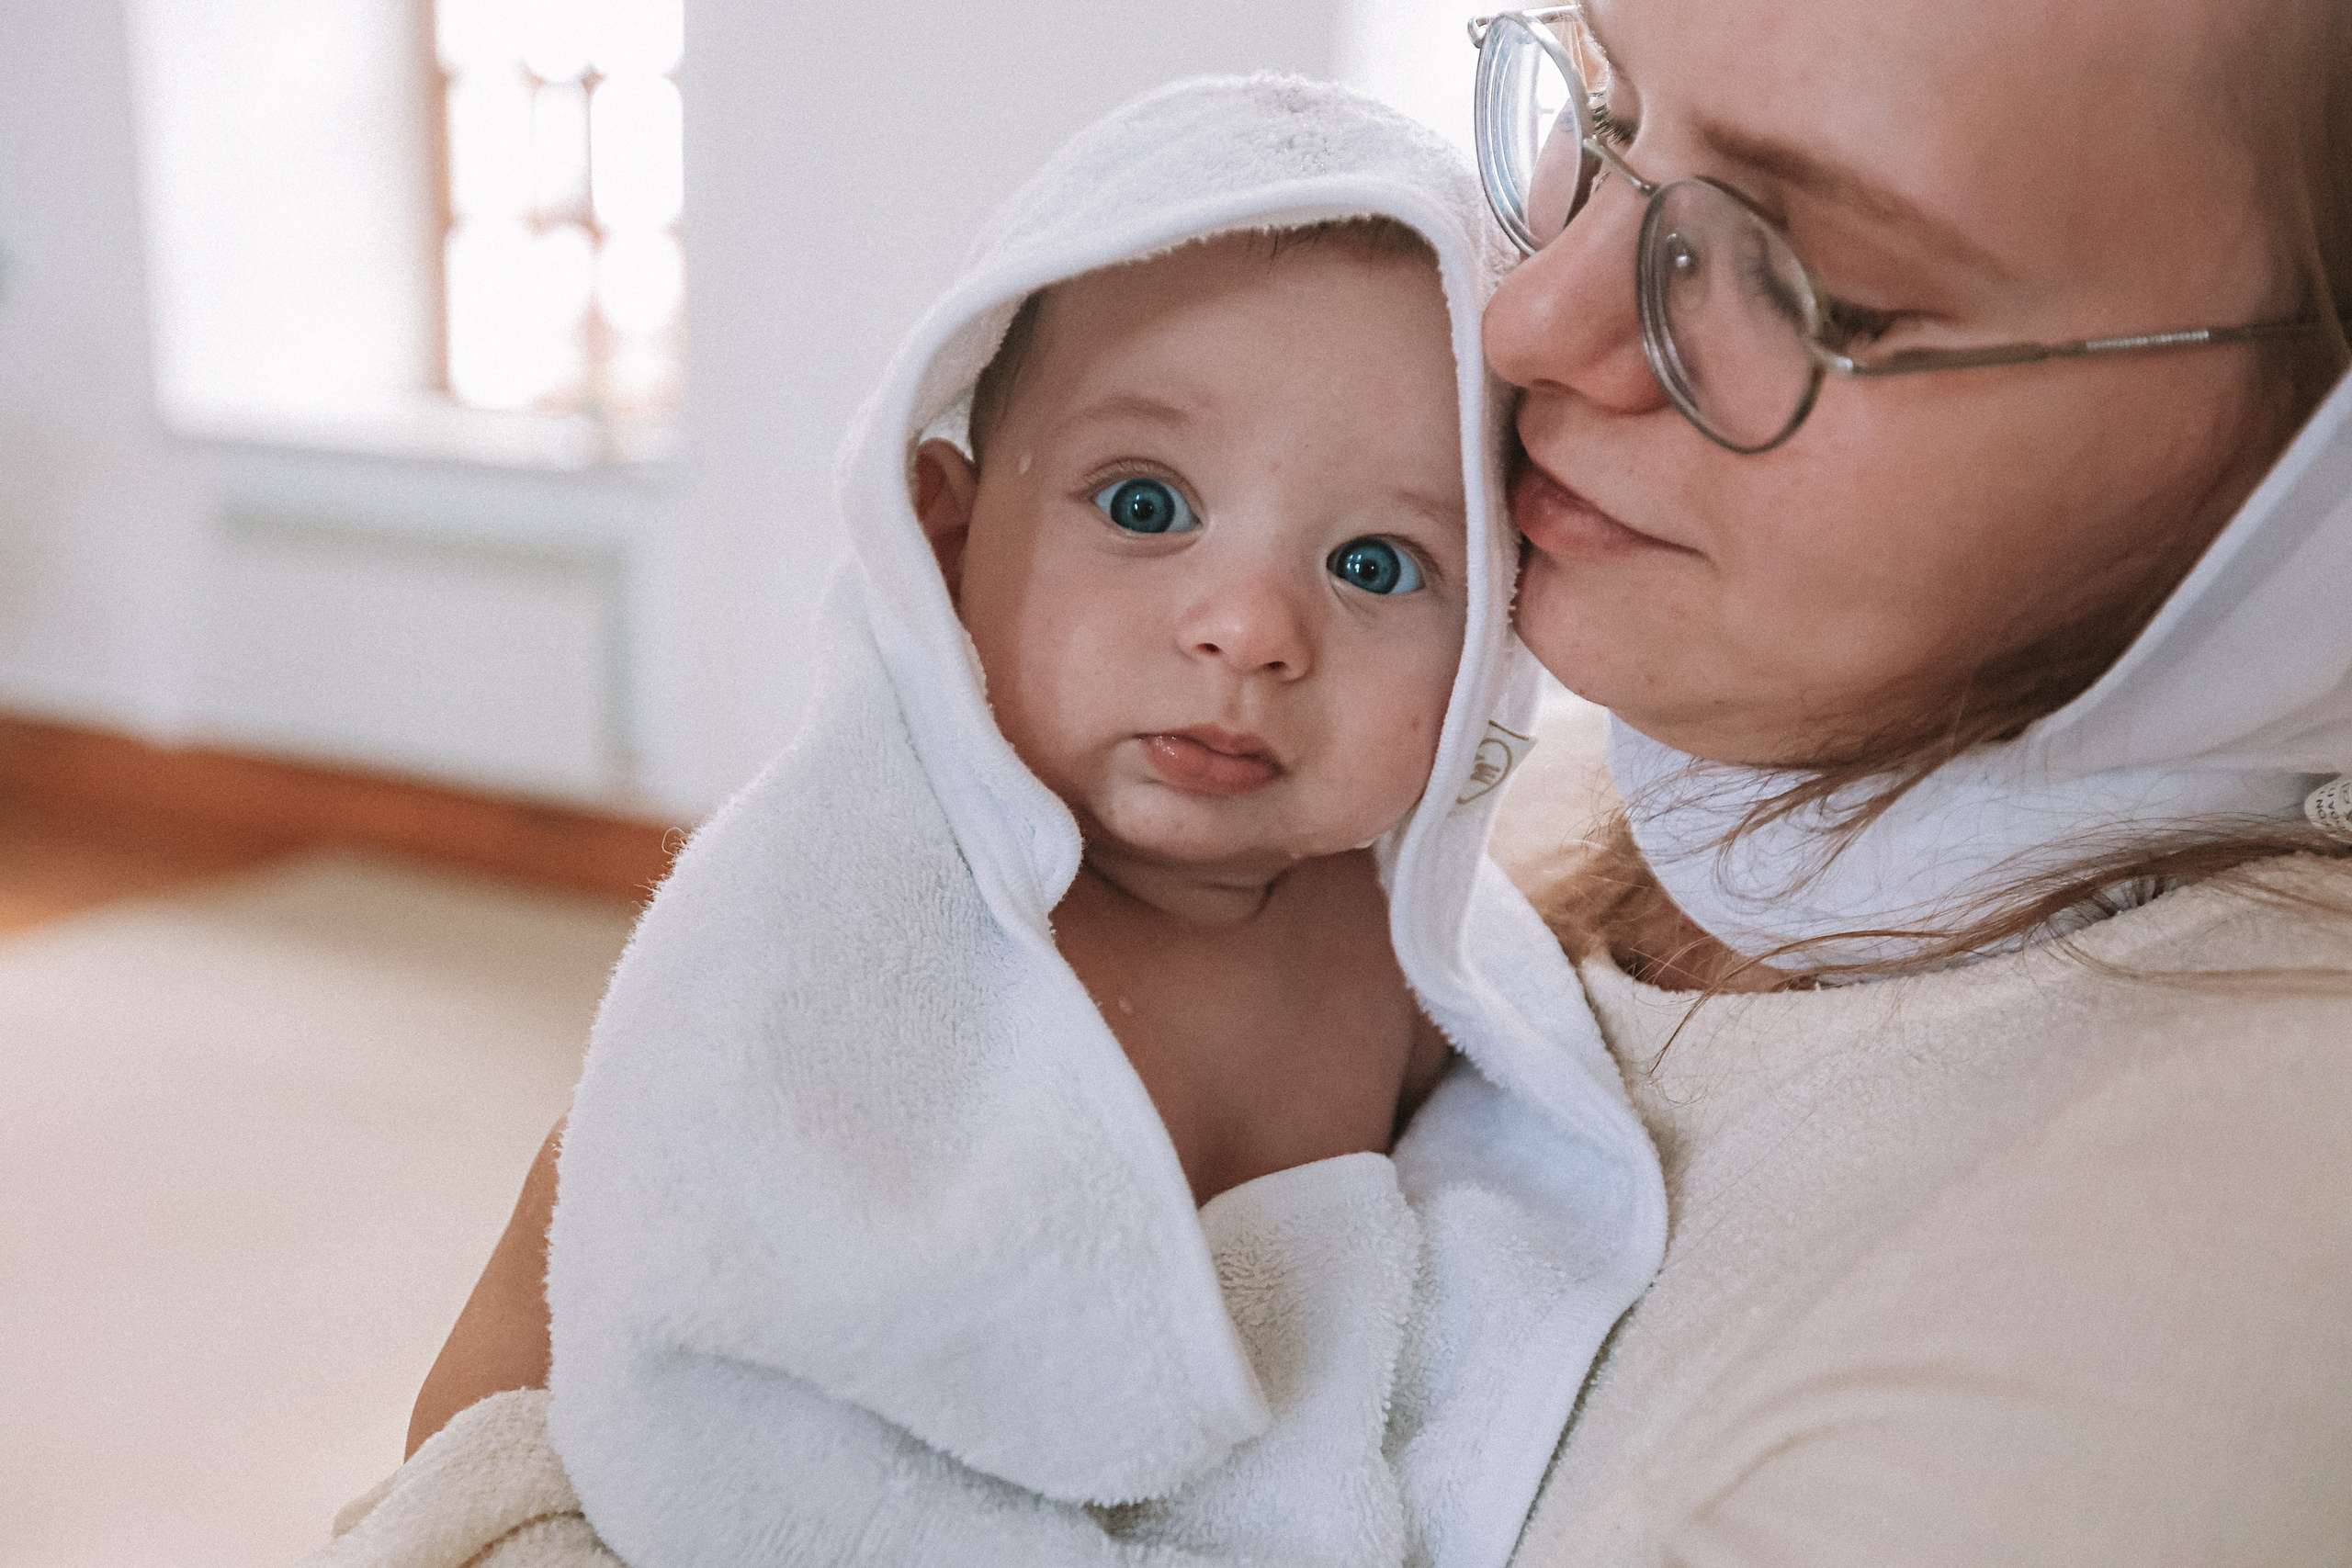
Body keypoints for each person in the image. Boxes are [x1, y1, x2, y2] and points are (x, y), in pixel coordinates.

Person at [312, 78, 1661, 1568]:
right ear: (946, 540)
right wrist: (491, 1524)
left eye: (1376, 563)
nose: (1248, 627)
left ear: (1493, 653)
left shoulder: (1414, 955)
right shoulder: (838, 910)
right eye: (1145, 506)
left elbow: (1471, 1267)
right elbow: (596, 1266)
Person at [1471, 0, 2352, 1560]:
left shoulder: (2187, 1306)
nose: (1531, 319)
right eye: (1603, 107)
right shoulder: (1516, 803)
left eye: (1812, 284)